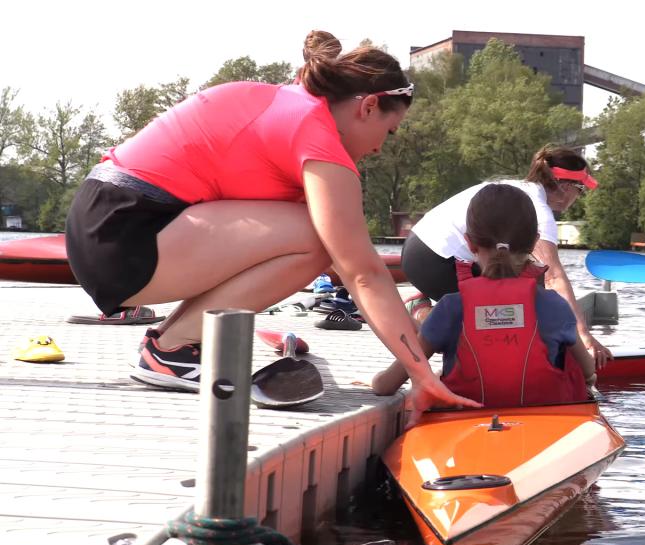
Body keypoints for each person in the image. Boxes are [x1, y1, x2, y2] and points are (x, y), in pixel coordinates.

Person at [64, 30, 479, 414]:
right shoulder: (315, 134)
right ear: (368, 106)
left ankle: (173, 346)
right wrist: (422, 375)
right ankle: (173, 349)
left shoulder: (294, 103)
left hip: (108, 222)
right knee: (320, 239)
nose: (379, 149)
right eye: (389, 132)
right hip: (123, 235)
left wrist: (407, 362)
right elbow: (363, 274)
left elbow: (351, 270)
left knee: (322, 241)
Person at [370, 183, 596, 407]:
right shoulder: (552, 304)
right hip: (544, 422)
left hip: (465, 421)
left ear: (469, 242)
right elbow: (588, 370)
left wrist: (378, 381)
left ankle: (418, 311)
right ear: (535, 241)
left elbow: (386, 385)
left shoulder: (451, 308)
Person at [400, 144, 613, 369]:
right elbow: (555, 278)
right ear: (566, 187)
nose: (578, 197)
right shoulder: (538, 210)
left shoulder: (518, 189)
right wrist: (584, 336)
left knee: (527, 280)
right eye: (580, 190)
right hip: (435, 259)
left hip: (418, 245)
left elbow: (540, 275)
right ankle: (421, 313)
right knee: (481, 323)